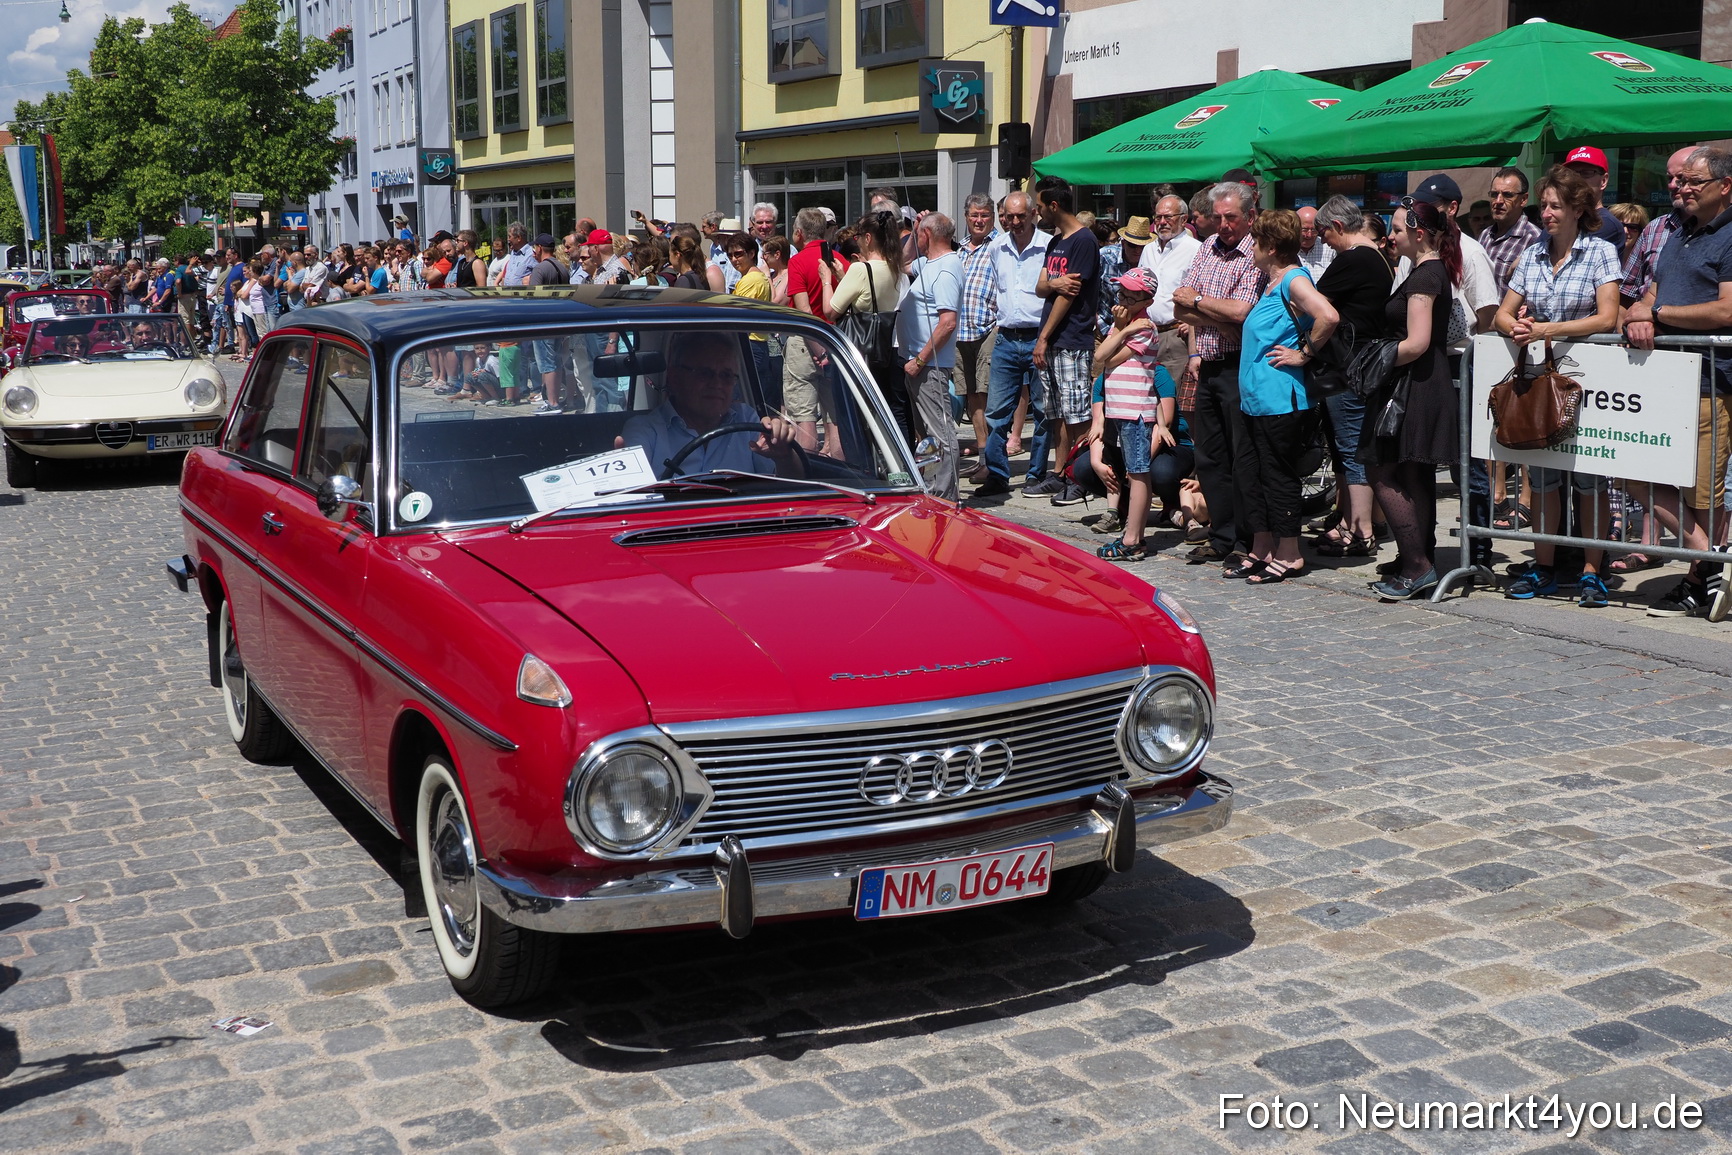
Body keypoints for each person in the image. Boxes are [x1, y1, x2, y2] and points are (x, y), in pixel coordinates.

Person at [1491, 165, 1623, 608]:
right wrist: (1516, 327)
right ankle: (1544, 566)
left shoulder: (1600, 252)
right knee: (1544, 476)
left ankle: (1592, 570)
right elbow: (1502, 313)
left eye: (1554, 206)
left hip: (1588, 381)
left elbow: (1607, 316)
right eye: (1543, 206)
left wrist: (1549, 329)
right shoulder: (1532, 254)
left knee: (1589, 480)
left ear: (1577, 209)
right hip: (1542, 380)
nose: (1545, 213)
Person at [1624, 145, 1732, 616]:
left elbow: (1728, 309)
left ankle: (1697, 581)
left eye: (1693, 182)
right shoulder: (1677, 232)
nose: (1682, 188)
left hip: (1710, 383)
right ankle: (1713, 561)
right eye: (1680, 181)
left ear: (1724, 186)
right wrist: (1637, 312)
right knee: (1634, 473)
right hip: (1663, 380)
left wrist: (1660, 314)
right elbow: (1652, 292)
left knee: (1702, 492)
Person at [1236, 209, 1340, 584]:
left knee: (1278, 476)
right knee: (1252, 474)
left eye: (1256, 242)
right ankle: (1262, 546)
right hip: (1256, 400)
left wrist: (1304, 353)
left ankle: (1290, 553)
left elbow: (1328, 315)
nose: (1251, 248)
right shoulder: (1272, 281)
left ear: (1271, 247)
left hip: (1280, 399)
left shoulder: (1294, 279)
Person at [1367, 198, 1460, 601]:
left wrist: (1374, 361)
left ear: (1418, 234)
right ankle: (1417, 562)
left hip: (1416, 385)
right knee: (1412, 472)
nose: (1390, 236)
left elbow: (1417, 342)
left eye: (1397, 229)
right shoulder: (1425, 270)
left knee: (1381, 469)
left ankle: (1418, 565)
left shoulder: (1426, 275)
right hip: (1421, 382)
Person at [1172, 181, 1267, 571]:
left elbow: (1241, 312)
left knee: (1242, 458)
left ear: (1250, 216)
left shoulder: (1255, 252)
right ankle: (1222, 535)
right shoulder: (1208, 246)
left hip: (1238, 367)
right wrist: (1215, 315)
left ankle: (1247, 540)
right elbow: (1178, 307)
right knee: (1210, 457)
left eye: (1231, 217)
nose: (1224, 225)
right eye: (1218, 217)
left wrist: (1198, 303)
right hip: (1208, 365)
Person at [1311, 195, 1394, 558]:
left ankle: (1361, 530)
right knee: (1351, 445)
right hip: (1361, 365)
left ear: (1338, 226)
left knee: (1351, 446)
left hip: (1349, 367)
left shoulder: (1354, 258)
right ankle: (1351, 523)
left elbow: (1314, 302)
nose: (1324, 241)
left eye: (1324, 234)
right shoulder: (1377, 257)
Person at [621, 331, 805, 477]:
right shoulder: (645, 430)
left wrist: (784, 456)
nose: (717, 384)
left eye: (726, 375)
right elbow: (629, 497)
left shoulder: (746, 420)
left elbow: (788, 490)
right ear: (675, 377)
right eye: (704, 373)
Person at [1030, 176, 1101, 505]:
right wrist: (1054, 284)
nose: (1038, 211)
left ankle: (1081, 477)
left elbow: (1068, 295)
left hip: (1071, 338)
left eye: (1040, 205)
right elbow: (1041, 287)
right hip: (1052, 339)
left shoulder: (1083, 241)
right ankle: (1060, 473)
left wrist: (1043, 338)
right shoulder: (1055, 241)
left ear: (1054, 205)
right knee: (1057, 412)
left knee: (1077, 414)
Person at [976, 192, 1052, 497]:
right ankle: (997, 475)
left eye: (1021, 216)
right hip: (1007, 337)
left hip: (1039, 336)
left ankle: (1036, 474)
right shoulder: (997, 247)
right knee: (996, 412)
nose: (1015, 222)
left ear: (1033, 214)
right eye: (1010, 216)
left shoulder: (1048, 245)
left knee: (1043, 411)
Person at [896, 211, 963, 500]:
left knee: (941, 433)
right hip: (918, 363)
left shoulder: (946, 268)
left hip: (929, 365)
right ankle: (932, 489)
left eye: (919, 234)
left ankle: (946, 496)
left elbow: (947, 323)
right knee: (926, 435)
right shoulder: (930, 263)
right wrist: (914, 231)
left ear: (929, 235)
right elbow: (901, 264)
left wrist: (920, 360)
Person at [830, 210, 910, 442]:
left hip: (862, 349)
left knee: (859, 412)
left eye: (858, 237)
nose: (856, 242)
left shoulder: (860, 269)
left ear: (868, 238)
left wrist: (827, 280)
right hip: (888, 347)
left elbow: (831, 311)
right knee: (892, 409)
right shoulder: (897, 269)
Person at [783, 206, 850, 452]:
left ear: (799, 233)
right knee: (835, 419)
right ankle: (842, 471)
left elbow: (804, 312)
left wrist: (818, 351)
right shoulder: (840, 261)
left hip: (805, 341)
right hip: (835, 342)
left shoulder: (798, 261)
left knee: (804, 419)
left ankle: (807, 472)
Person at [956, 192, 999, 478]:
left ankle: (993, 460)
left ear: (992, 217)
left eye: (984, 215)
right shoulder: (958, 249)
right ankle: (984, 458)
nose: (979, 220)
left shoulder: (1000, 246)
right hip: (961, 331)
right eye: (974, 215)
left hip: (988, 328)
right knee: (971, 396)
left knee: (988, 395)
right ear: (966, 217)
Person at [1622, 146, 1696, 308]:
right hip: (1644, 322)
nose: (1672, 185)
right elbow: (1626, 292)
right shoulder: (1654, 228)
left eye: (1681, 178)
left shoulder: (1724, 231)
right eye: (1669, 178)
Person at [1479, 167, 1542, 296]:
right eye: (1494, 194)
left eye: (1507, 195)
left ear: (1523, 199)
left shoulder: (1535, 240)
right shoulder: (1485, 235)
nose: (1498, 201)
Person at [1563, 146, 1635, 250]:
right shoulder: (1562, 217)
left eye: (1586, 173)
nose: (1577, 179)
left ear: (1603, 181)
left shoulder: (1605, 224)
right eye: (1572, 174)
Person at [527, 234, 568, 413]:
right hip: (560, 320)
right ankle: (551, 399)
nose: (533, 252)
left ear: (539, 248)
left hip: (543, 322)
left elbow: (532, 298)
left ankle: (552, 402)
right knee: (555, 361)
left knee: (547, 363)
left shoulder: (540, 269)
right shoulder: (562, 267)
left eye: (534, 248)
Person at [1097, 216, 1150, 337]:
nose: (1138, 250)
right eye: (1132, 245)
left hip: (1137, 334)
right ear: (1123, 242)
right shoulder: (1105, 256)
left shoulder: (1152, 260)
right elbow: (1089, 293)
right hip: (1104, 328)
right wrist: (1099, 325)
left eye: (1142, 246)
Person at [1296, 206, 1333, 277]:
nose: (1309, 235)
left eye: (1313, 230)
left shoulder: (1328, 248)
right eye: (1304, 229)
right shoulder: (1286, 249)